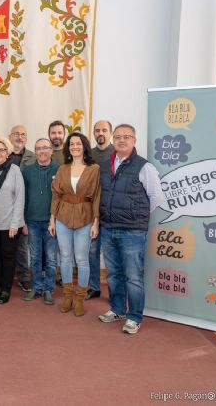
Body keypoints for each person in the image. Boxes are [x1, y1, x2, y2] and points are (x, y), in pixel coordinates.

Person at [97, 124, 163, 334]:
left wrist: (136, 216)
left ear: (134, 140)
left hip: (132, 231)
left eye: (126, 136)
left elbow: (156, 197)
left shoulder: (144, 167)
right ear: (113, 140)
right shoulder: (105, 166)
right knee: (113, 274)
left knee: (133, 276)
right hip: (108, 228)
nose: (122, 140)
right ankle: (117, 309)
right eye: (118, 137)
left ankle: (134, 317)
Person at [51, 132, 101, 316]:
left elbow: (97, 196)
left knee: (81, 259)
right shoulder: (62, 169)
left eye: (78, 143)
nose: (75, 147)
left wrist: (95, 222)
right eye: (71, 144)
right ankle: (67, 296)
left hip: (85, 217)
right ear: (68, 148)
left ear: (84, 146)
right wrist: (52, 220)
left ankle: (80, 298)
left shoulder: (94, 169)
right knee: (65, 257)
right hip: (62, 217)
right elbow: (56, 195)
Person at [0, 136, 25, 304]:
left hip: (10, 224)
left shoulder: (14, 170)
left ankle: (6, 289)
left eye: (2, 150)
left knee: (8, 257)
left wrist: (15, 223)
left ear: (7, 152)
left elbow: (20, 198)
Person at [22, 139, 59, 305]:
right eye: (38, 148)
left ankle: (48, 289)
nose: (42, 151)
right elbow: (23, 197)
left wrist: (56, 220)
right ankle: (36, 287)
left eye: (45, 148)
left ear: (51, 150)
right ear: (35, 152)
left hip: (52, 222)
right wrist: (23, 221)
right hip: (32, 221)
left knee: (51, 258)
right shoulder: (28, 171)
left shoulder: (60, 169)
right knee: (35, 257)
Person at [86, 119, 115, 300]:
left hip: (112, 212)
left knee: (111, 255)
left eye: (104, 130)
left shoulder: (117, 153)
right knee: (92, 252)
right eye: (97, 130)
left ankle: (114, 291)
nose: (100, 133)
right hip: (92, 213)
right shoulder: (89, 155)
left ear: (110, 133)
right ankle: (94, 287)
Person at [8, 125, 35, 292]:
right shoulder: (2, 154)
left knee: (22, 247)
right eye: (16, 134)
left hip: (25, 208)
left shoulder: (33, 157)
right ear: (10, 136)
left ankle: (24, 277)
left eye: (23, 134)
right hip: (5, 209)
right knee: (4, 246)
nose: (19, 137)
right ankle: (3, 277)